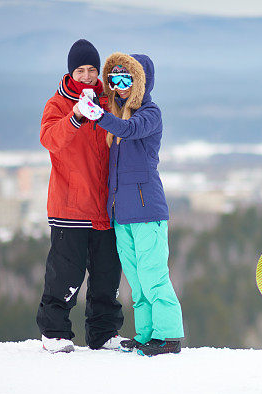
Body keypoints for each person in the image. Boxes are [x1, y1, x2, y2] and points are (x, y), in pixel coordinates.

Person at [76, 52, 184, 356]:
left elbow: (130, 130)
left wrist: (99, 115)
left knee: (153, 276)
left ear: (140, 82)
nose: (119, 86)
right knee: (137, 280)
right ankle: (147, 333)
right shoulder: (116, 112)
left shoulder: (149, 113)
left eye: (126, 79)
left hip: (147, 210)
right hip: (122, 214)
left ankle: (169, 336)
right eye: (114, 79)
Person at [36, 39, 126, 353]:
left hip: (104, 206)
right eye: (80, 69)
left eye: (91, 69)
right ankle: (54, 333)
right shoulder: (57, 104)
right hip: (70, 206)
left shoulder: (109, 100)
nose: (87, 75)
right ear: (71, 71)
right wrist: (75, 116)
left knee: (106, 275)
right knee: (65, 275)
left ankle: (103, 334)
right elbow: (49, 139)